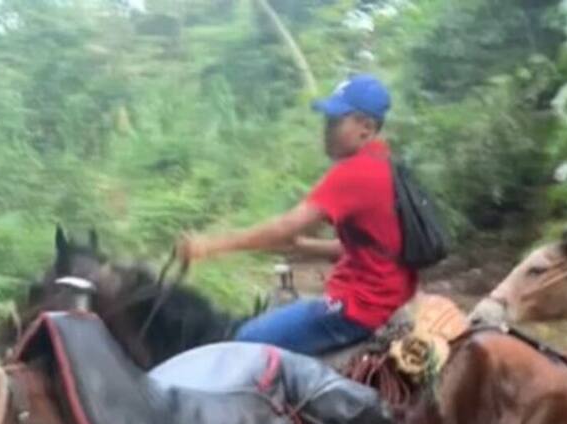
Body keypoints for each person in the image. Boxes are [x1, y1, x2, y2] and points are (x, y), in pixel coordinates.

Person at [177, 74, 417, 356]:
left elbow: (285, 227)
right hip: (388, 295)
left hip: (357, 307)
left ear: (366, 127)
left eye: (335, 122)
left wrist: (209, 245)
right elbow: (374, 248)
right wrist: (306, 247)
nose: (326, 130)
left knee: (243, 342)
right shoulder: (386, 164)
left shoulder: (356, 172)